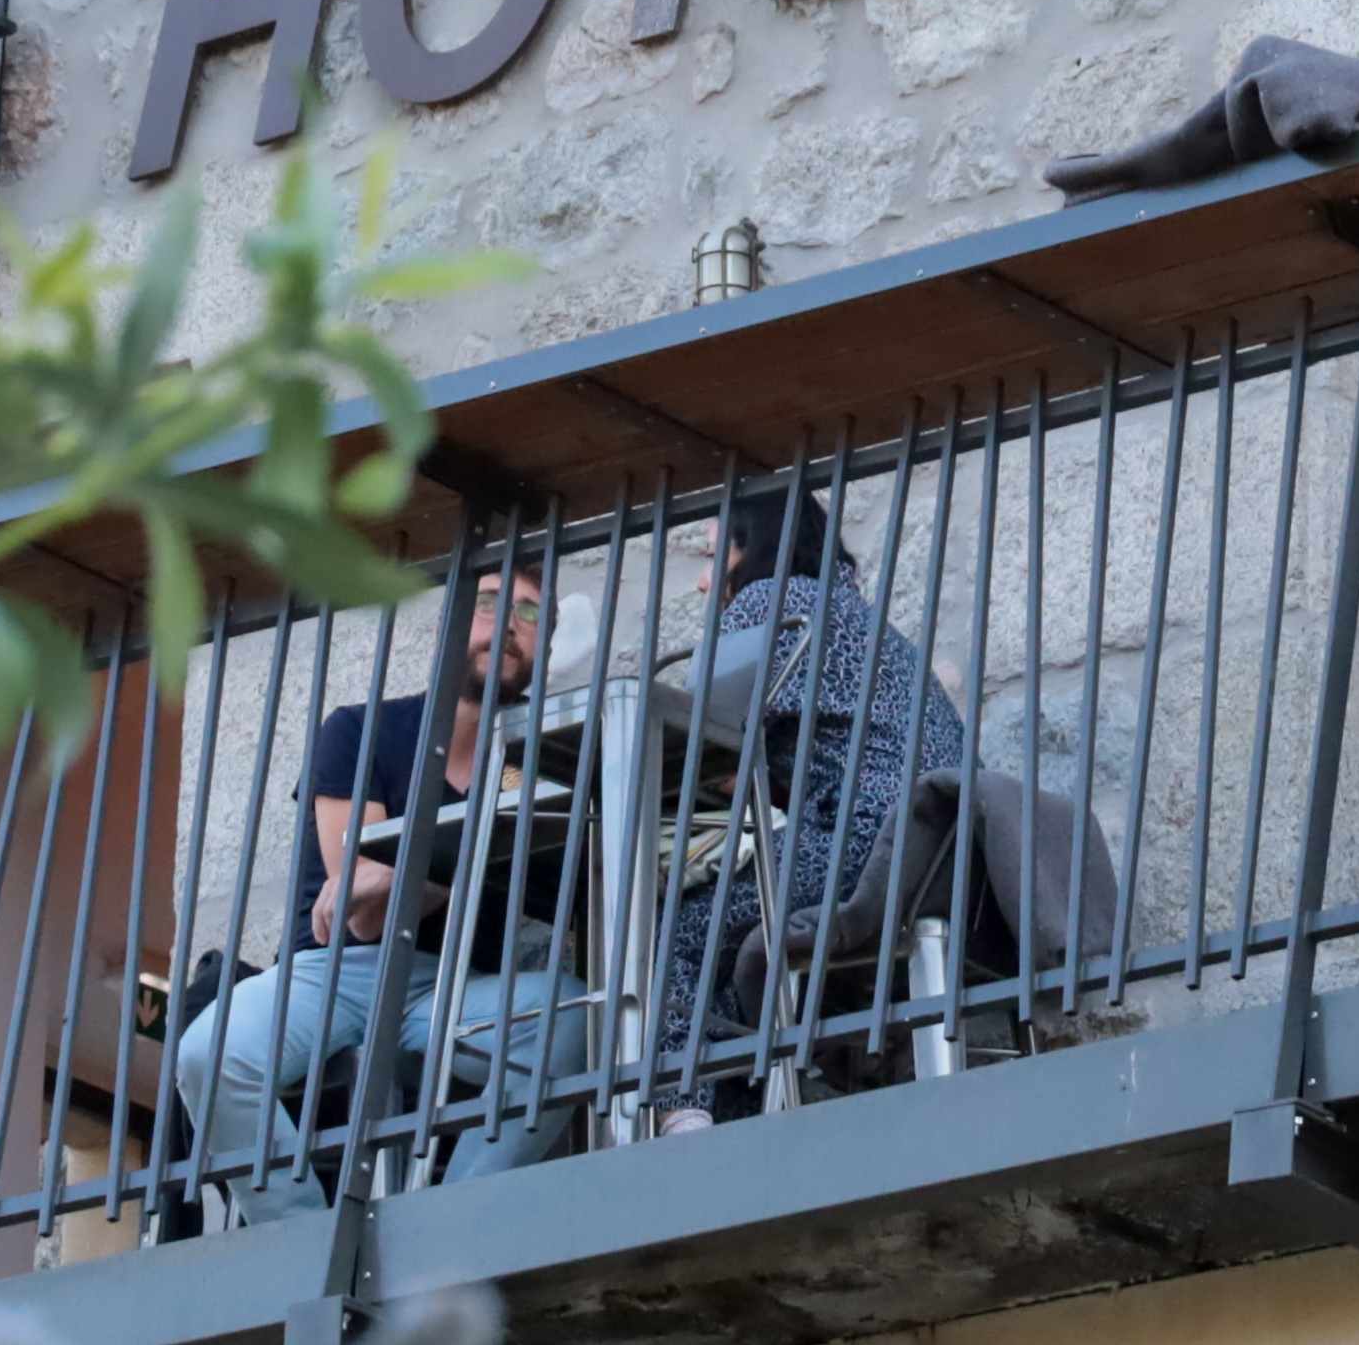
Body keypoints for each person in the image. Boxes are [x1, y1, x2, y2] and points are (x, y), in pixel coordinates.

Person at [172, 553, 586, 1219]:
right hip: (335, 971)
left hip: (452, 984)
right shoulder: (363, 730)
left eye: (530, 612)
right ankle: (299, 1236)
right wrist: (448, 874)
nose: (506, 624)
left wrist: (415, 875)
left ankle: (454, 1222)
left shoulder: (540, 757)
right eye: (487, 604)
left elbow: (536, 881)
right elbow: (358, 914)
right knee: (210, 1050)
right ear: (447, 625)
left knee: (572, 1017)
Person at [649, 482, 969, 1132]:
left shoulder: (773, 602)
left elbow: (697, 737)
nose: (707, 585)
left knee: (675, 927)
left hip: (866, 841)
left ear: (753, 546)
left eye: (715, 558)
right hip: (932, 848)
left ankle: (680, 1120)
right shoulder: (853, 613)